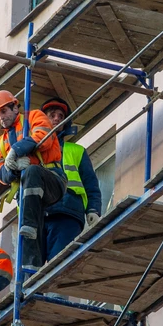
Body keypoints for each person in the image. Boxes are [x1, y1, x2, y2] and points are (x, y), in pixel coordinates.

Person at [0, 90, 67, 268]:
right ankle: (30, 278)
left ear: (15, 107)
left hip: (52, 180)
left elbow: (44, 136)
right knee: (29, 239)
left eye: (4, 111)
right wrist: (13, 168)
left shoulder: (33, 117)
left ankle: (29, 225)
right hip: (31, 195)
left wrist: (16, 150)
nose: (1, 117)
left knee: (32, 171)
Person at [40, 98, 103, 260]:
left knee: (56, 266)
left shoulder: (76, 151)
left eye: (61, 116)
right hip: (37, 215)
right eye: (52, 115)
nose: (57, 118)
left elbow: (91, 186)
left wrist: (93, 210)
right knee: (31, 273)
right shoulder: (31, 150)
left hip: (67, 213)